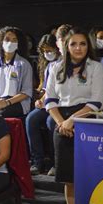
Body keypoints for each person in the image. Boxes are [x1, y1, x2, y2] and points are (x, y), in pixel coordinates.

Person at [45, 27, 103, 204]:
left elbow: (98, 101)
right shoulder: (56, 68)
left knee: (90, 179)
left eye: (82, 44)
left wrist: (72, 120)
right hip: (62, 125)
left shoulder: (96, 68)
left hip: (88, 122)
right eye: (73, 44)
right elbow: (50, 100)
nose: (78, 48)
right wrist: (62, 123)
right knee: (70, 181)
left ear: (88, 46)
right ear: (66, 46)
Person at [26, 34, 60, 175]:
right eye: (45, 51)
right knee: (31, 119)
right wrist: (40, 98)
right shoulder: (47, 66)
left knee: (50, 122)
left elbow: (56, 88)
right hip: (47, 103)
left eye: (50, 50)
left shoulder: (62, 63)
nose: (48, 53)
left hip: (60, 104)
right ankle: (37, 161)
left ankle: (55, 162)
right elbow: (45, 88)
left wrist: (44, 98)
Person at [0, 26, 33, 118]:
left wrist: (6, 102)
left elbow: (26, 92)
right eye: (7, 39)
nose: (10, 43)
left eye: (14, 40)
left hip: (18, 102)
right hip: (0, 101)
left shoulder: (23, 64)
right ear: (1, 42)